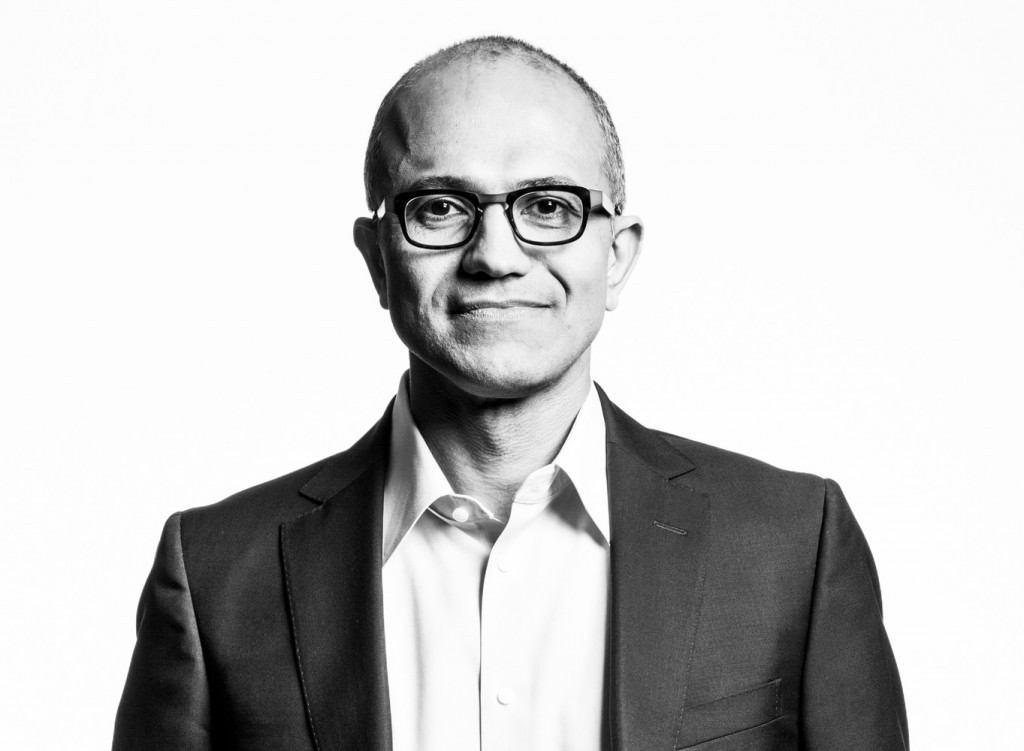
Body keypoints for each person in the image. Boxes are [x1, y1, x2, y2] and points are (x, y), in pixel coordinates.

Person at [113, 36, 908, 751]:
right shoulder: (216, 574)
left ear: (618, 256)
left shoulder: (793, 546)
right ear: (377, 259)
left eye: (549, 207)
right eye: (440, 207)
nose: (495, 255)